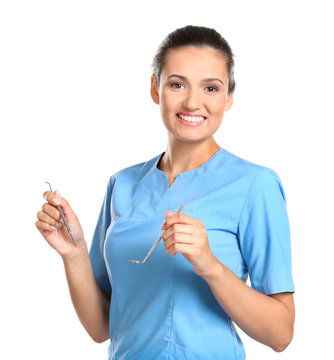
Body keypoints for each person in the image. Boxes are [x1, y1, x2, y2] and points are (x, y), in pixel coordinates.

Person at [35, 25, 295, 360]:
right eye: (177, 84)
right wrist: (74, 254)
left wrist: (210, 265)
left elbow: (281, 334)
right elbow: (102, 327)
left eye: (211, 88)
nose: (192, 102)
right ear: (156, 89)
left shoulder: (254, 185)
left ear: (229, 97)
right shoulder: (122, 183)